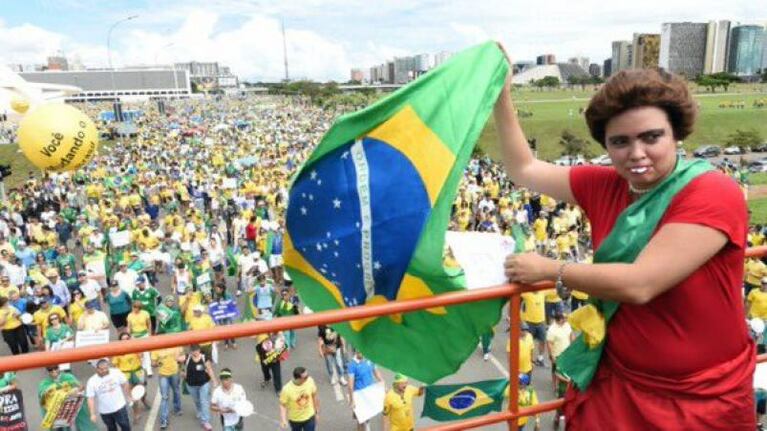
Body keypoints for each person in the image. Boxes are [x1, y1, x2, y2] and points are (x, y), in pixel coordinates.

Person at [497, 66, 754, 428]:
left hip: (701, 396)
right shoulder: (604, 185)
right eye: (620, 142)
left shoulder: (711, 191)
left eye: (651, 137)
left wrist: (551, 269)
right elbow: (523, 168)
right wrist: (501, 95)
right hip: (620, 382)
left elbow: (640, 284)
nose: (636, 153)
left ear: (676, 134)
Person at [38, 366, 96, 431]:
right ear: (47, 371)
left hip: (70, 408)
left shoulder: (68, 377)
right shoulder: (44, 383)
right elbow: (43, 395)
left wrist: (77, 390)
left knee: (82, 422)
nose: (54, 371)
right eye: (50, 369)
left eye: (55, 368)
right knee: (60, 428)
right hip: (56, 412)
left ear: (59, 367)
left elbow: (80, 387)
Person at [86, 359, 132, 431]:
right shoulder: (92, 381)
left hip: (119, 407)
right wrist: (92, 413)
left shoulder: (116, 372)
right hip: (105, 411)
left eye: (106, 368)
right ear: (96, 368)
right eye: (102, 369)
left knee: (125, 425)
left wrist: (129, 396)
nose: (105, 370)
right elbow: (90, 398)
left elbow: (125, 383)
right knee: (111, 428)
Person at [112, 332, 149, 420]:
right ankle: (136, 413)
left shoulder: (135, 347)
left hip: (137, 372)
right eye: (123, 339)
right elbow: (115, 365)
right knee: (133, 395)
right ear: (120, 341)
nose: (125, 341)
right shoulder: (118, 351)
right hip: (126, 375)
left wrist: (135, 344)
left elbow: (141, 356)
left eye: (127, 339)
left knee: (143, 391)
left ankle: (144, 400)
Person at [183, 344, 217, 431]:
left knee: (204, 401)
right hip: (191, 384)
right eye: (193, 350)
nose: (196, 352)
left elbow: (209, 369)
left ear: (199, 350)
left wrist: (214, 381)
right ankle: (199, 410)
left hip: (203, 384)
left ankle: (205, 421)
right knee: (197, 400)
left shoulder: (204, 358)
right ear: (191, 351)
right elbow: (175, 358)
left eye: (197, 350)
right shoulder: (187, 358)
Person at [347, 350, 384, 431]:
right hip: (359, 396)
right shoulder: (352, 365)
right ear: (355, 352)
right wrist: (352, 400)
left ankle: (367, 425)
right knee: (360, 419)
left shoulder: (369, 359)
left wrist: (383, 383)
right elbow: (350, 384)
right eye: (358, 352)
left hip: (369, 393)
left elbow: (376, 372)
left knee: (368, 415)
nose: (361, 353)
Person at [151, 344, 185, 429]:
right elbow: (153, 363)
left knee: (176, 391)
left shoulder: (176, 345)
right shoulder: (156, 349)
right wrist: (158, 363)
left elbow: (183, 357)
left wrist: (181, 364)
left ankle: (177, 408)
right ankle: (164, 420)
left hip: (174, 373)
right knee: (164, 397)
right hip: (163, 375)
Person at [279, 366, 319, 431]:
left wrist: (316, 412)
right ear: (298, 379)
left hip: (309, 417)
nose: (308, 378)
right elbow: (283, 405)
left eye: (308, 375)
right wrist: (283, 420)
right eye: (305, 377)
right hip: (295, 420)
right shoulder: (287, 389)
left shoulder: (310, 381)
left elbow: (314, 396)